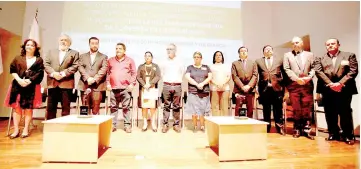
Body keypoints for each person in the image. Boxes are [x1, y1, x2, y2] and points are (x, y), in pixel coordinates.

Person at [314, 38, 358, 145]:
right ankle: (333, 133)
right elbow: (319, 72)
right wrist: (330, 84)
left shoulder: (349, 55)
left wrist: (340, 83)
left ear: (338, 44)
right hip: (327, 89)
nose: (330, 45)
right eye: (328, 44)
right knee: (330, 113)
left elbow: (353, 71)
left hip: (344, 89)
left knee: (345, 112)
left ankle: (348, 135)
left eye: (333, 43)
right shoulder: (320, 58)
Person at [4, 39, 44, 139]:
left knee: (28, 109)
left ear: (35, 48)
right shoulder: (17, 58)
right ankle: (16, 130)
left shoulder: (39, 60)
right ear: (24, 47)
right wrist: (19, 80)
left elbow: (40, 73)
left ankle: (26, 129)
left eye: (32, 45)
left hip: (31, 87)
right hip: (17, 86)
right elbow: (12, 70)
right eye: (27, 45)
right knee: (16, 108)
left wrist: (29, 81)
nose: (29, 47)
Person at [283, 37, 315, 139]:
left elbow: (314, 68)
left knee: (307, 108)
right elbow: (287, 69)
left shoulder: (310, 55)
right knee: (296, 108)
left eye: (297, 42)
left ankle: (306, 129)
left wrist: (309, 77)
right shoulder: (287, 55)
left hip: (307, 85)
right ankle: (296, 129)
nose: (295, 44)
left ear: (302, 43)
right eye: (293, 43)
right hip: (294, 85)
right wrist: (296, 79)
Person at [44, 34, 79, 120]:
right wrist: (53, 74)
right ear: (58, 42)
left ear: (69, 43)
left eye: (65, 40)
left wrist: (63, 74)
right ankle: (50, 127)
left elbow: (75, 66)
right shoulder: (50, 51)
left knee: (66, 108)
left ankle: (64, 128)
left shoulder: (74, 53)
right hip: (53, 83)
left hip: (66, 84)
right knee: (51, 107)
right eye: (61, 40)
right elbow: (46, 64)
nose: (63, 42)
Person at [255, 45, 287, 134]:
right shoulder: (258, 61)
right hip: (264, 89)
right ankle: (267, 127)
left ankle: (279, 127)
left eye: (270, 49)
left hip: (277, 88)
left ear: (272, 51)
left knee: (278, 109)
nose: (268, 50)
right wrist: (256, 88)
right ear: (263, 52)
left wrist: (286, 89)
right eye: (266, 49)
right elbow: (255, 75)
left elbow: (284, 74)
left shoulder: (279, 60)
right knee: (266, 109)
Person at [107, 42, 136, 133]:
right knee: (113, 108)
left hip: (125, 89)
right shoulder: (110, 60)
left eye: (120, 48)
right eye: (116, 48)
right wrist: (108, 83)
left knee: (126, 108)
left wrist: (132, 84)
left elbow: (134, 73)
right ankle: (113, 125)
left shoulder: (130, 60)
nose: (118, 50)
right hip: (113, 88)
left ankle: (127, 126)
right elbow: (107, 73)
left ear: (124, 50)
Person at [78, 37, 108, 115]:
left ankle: (95, 126)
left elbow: (104, 69)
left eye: (96, 43)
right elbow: (80, 67)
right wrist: (88, 78)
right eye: (93, 43)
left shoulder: (103, 57)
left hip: (97, 86)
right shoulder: (82, 56)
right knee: (85, 108)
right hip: (85, 84)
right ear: (89, 44)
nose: (94, 45)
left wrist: (94, 79)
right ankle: (85, 126)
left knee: (95, 109)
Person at [159, 43, 185, 133]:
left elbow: (182, 72)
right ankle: (165, 124)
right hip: (166, 85)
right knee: (166, 106)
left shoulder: (180, 61)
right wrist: (168, 81)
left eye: (171, 49)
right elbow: (161, 73)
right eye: (167, 49)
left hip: (177, 85)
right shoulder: (163, 61)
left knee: (176, 106)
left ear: (175, 50)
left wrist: (176, 81)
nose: (169, 51)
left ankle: (176, 124)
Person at [184, 51, 212, 132]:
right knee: (194, 110)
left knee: (202, 110)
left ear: (201, 58)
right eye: (195, 57)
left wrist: (202, 84)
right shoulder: (190, 67)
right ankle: (195, 125)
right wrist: (197, 84)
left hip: (204, 92)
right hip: (193, 92)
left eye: (198, 57)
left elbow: (210, 77)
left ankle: (202, 125)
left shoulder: (206, 67)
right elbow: (187, 77)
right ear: (193, 58)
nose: (196, 58)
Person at [136, 51, 161, 132]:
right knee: (144, 106)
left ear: (152, 57)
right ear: (144, 57)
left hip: (152, 88)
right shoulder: (141, 66)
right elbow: (138, 77)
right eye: (146, 56)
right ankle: (145, 123)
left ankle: (153, 123)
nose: (147, 57)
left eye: (149, 56)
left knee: (152, 106)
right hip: (143, 88)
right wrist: (144, 85)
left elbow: (158, 76)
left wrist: (150, 84)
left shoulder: (156, 66)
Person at [231, 46, 258, 118]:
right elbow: (234, 76)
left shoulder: (253, 63)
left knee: (250, 109)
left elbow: (255, 75)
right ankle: (237, 125)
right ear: (239, 53)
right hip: (239, 90)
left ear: (247, 53)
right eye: (241, 51)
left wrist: (249, 86)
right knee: (238, 109)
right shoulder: (235, 63)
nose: (243, 52)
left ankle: (249, 125)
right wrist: (242, 86)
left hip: (250, 90)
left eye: (245, 51)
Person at [209, 51, 231, 116]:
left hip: (225, 88)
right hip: (214, 88)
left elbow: (228, 76)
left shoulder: (226, 66)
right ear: (214, 57)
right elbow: (210, 78)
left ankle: (223, 123)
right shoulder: (211, 66)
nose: (218, 56)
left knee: (224, 107)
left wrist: (223, 84)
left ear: (222, 57)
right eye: (216, 55)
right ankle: (216, 123)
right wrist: (217, 84)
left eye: (220, 55)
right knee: (214, 106)